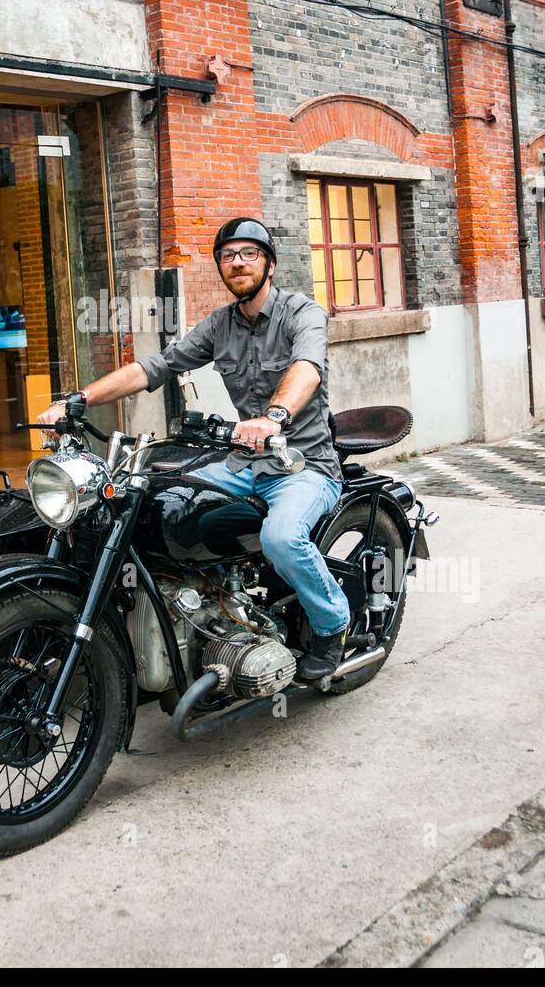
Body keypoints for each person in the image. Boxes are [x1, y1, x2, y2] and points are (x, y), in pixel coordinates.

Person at [36, 217, 348, 680]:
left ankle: (331, 626)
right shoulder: (219, 325)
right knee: (152, 503)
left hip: (302, 465)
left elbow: (306, 368)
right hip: (242, 463)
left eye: (249, 254)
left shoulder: (301, 313)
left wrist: (273, 417)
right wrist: (80, 399)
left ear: (270, 264)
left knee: (281, 537)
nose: (237, 262)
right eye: (228, 256)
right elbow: (154, 367)